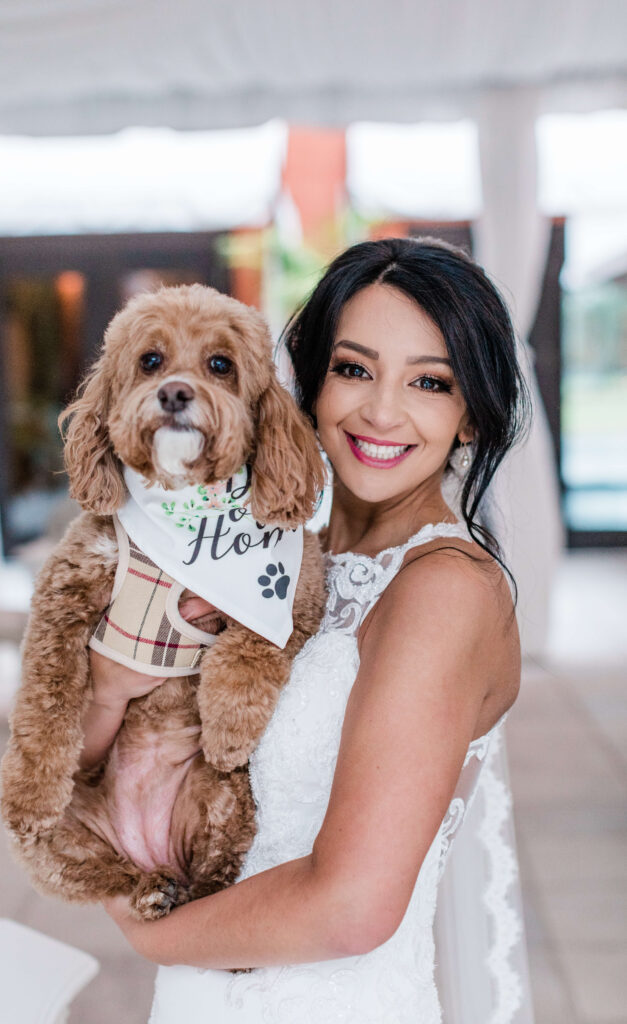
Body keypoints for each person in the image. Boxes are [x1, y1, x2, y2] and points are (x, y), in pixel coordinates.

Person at [87, 237, 533, 1023]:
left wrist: (154, 936)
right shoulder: (273, 554)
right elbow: (94, 763)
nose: (382, 411)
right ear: (307, 383)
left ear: (469, 418)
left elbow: (352, 906)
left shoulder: (442, 593)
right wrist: (111, 687)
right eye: (354, 369)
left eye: (430, 382)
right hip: (199, 991)